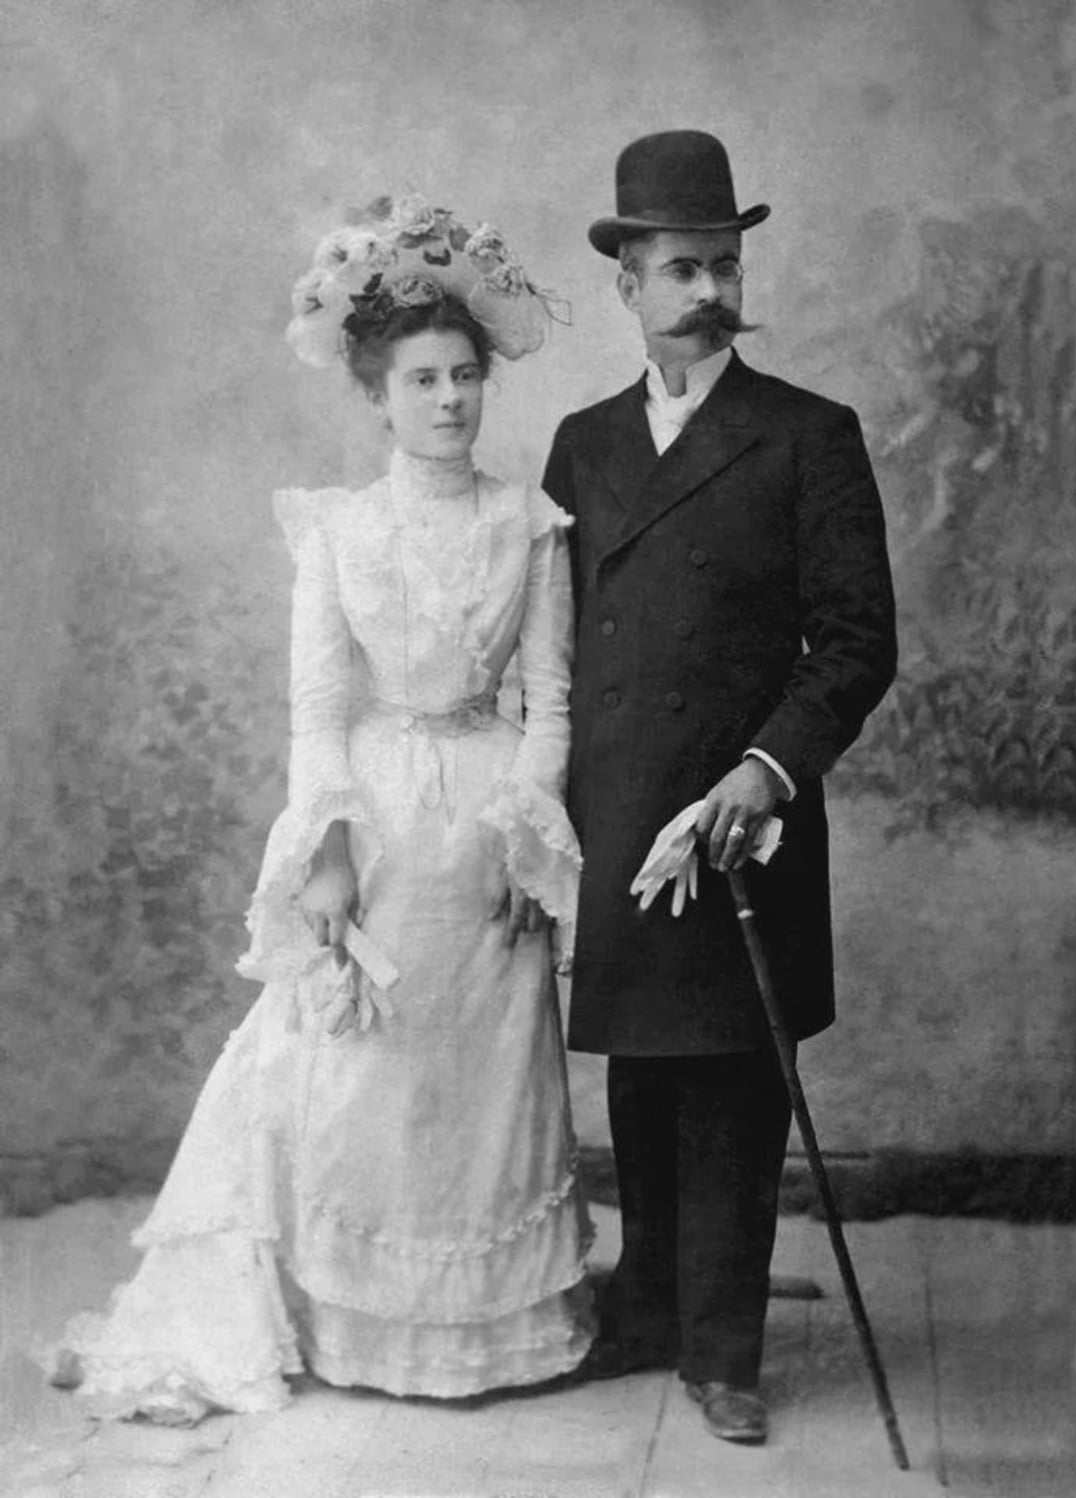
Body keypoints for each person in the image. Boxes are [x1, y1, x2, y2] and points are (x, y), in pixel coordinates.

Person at [49, 194, 593, 1422]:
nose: (449, 401)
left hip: (488, 816)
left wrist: (529, 835)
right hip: (379, 813)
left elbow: (552, 697)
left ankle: (486, 1333)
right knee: (359, 1073)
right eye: (421, 382)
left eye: (464, 377)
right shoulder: (341, 528)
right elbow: (317, 709)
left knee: (486, 1077)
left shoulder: (529, 522)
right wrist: (329, 853)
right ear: (377, 397)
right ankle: (355, 1320)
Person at [542, 131, 897, 1445]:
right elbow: (551, 644)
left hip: (745, 821)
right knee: (642, 1077)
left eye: (725, 266)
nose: (709, 291)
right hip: (619, 811)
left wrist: (765, 768)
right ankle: (649, 1310)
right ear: (629, 284)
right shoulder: (583, 446)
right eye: (683, 268)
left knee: (736, 1085)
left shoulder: (807, 435)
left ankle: (724, 1349)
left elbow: (856, 641)